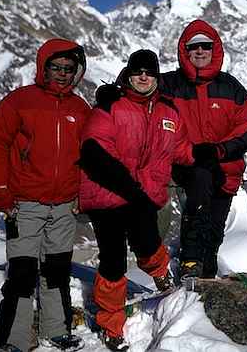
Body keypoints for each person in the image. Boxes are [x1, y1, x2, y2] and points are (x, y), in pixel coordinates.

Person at [78, 49, 193, 351]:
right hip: (108, 193)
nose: (143, 76)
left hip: (141, 194)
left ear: (156, 76)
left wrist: (208, 156)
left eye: (149, 72)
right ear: (129, 74)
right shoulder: (110, 105)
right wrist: (128, 187)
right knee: (113, 260)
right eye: (138, 71)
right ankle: (111, 323)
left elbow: (180, 149)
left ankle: (160, 275)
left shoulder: (168, 113)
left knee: (147, 241)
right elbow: (94, 150)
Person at [0, 39, 89, 352]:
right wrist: (1, 192)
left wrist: (82, 195)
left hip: (64, 206)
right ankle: (13, 339)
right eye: (56, 67)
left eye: (68, 69)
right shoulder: (19, 101)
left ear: (76, 72)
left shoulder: (79, 108)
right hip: (24, 204)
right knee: (22, 272)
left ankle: (55, 330)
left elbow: (90, 155)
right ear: (44, 67)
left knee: (56, 271)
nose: (62, 74)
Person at [160, 19, 247, 280]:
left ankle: (206, 274)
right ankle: (190, 261)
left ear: (215, 49)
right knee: (199, 201)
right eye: (194, 47)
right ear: (185, 51)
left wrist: (221, 150)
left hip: (226, 168)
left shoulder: (230, 86)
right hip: (190, 166)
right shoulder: (171, 84)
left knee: (215, 228)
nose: (201, 51)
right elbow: (139, 88)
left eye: (206, 46)